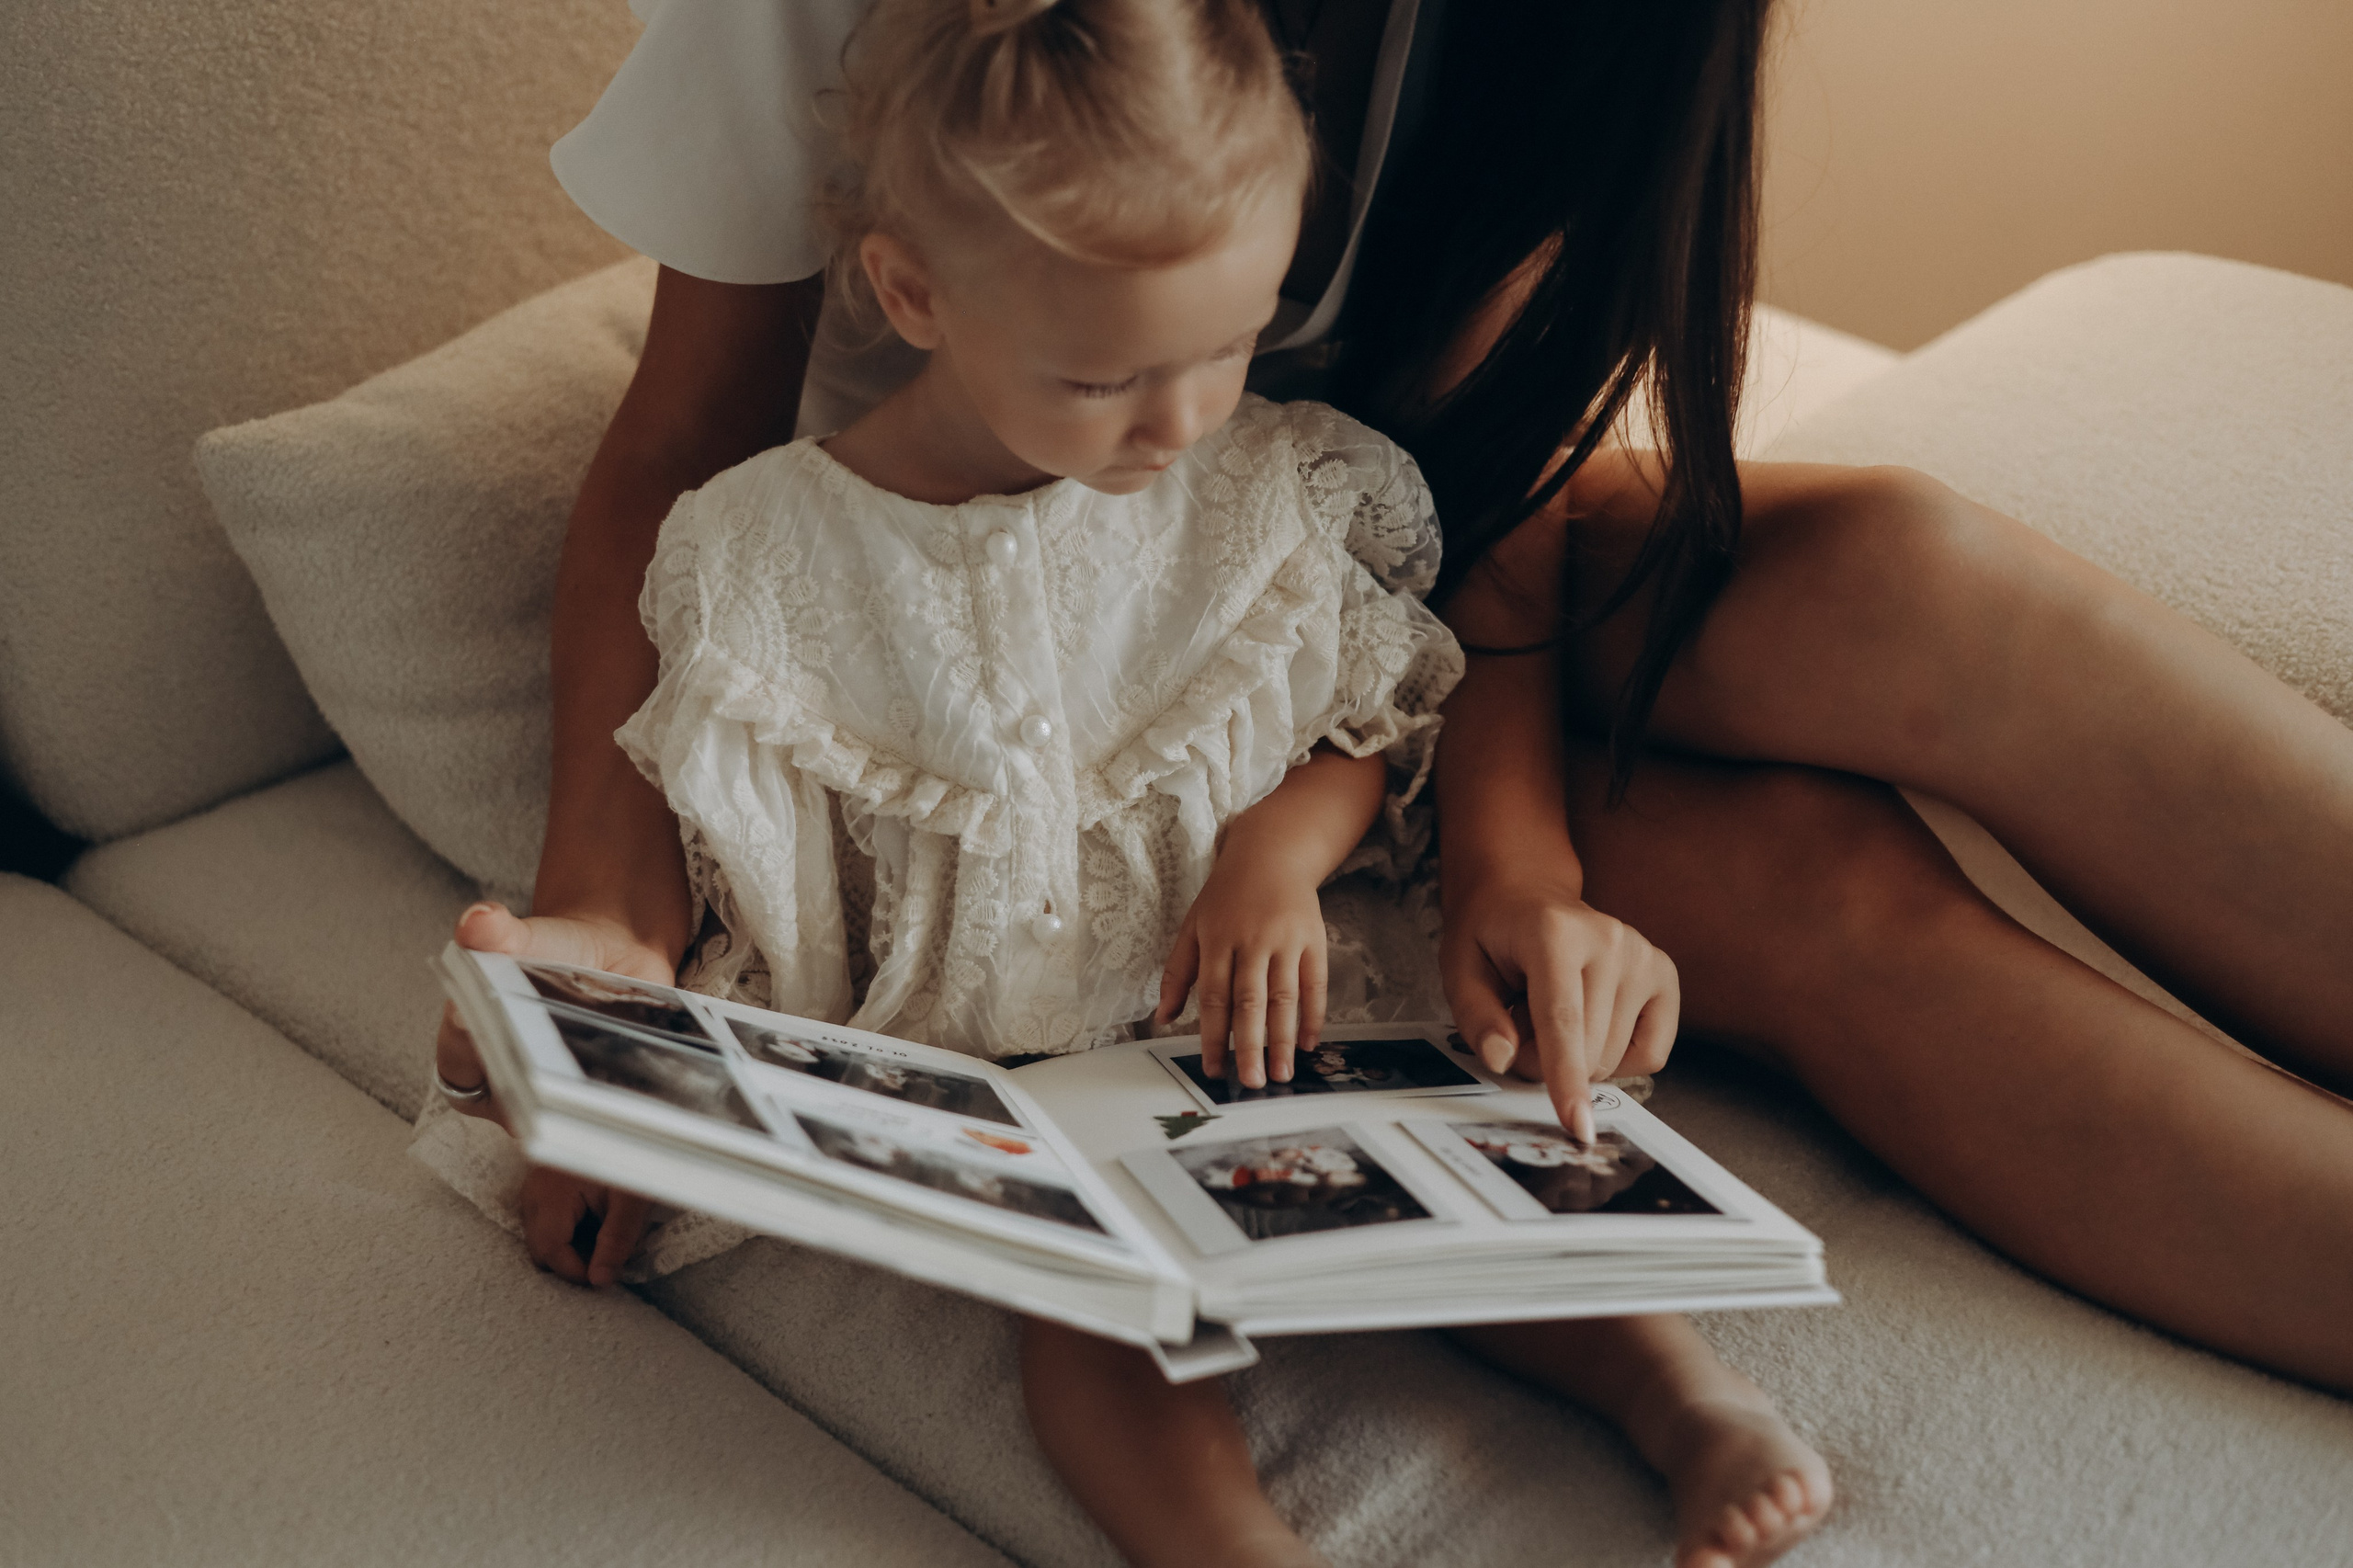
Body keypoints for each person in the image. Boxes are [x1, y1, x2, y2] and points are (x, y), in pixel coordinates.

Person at [432, 0, 2353, 1539]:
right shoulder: (824, 474)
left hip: (1325, 586)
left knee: (1911, 583)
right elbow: (682, 448)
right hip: (1038, 662)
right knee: (1807, 882)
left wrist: (1512, 855)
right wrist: (612, 926)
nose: (1175, 406)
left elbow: (1461, 492)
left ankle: (1677, 1375)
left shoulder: (1297, 418)